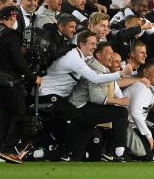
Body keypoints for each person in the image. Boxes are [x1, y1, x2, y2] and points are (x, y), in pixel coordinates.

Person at [39, 30, 132, 161]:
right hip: (53, 96)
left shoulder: (86, 59)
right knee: (118, 113)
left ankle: (52, 153)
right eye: (92, 43)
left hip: (67, 99)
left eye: (96, 44)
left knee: (76, 156)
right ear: (81, 45)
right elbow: (95, 80)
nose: (94, 46)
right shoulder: (75, 59)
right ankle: (118, 152)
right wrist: (122, 74)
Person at [0, 6, 40, 164]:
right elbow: (18, 61)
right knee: (19, 115)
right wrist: (33, 78)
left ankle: (0, 150)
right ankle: (7, 149)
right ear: (13, 17)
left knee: (3, 118)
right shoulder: (11, 35)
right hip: (10, 82)